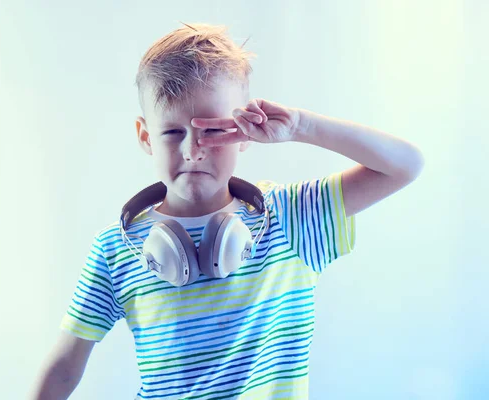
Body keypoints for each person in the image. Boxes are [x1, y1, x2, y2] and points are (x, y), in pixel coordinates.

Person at [30, 22, 424, 400]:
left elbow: (405, 165)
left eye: (213, 129)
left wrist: (301, 126)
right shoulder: (117, 248)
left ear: (245, 133)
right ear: (145, 137)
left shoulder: (291, 218)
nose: (192, 149)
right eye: (172, 132)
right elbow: (65, 366)